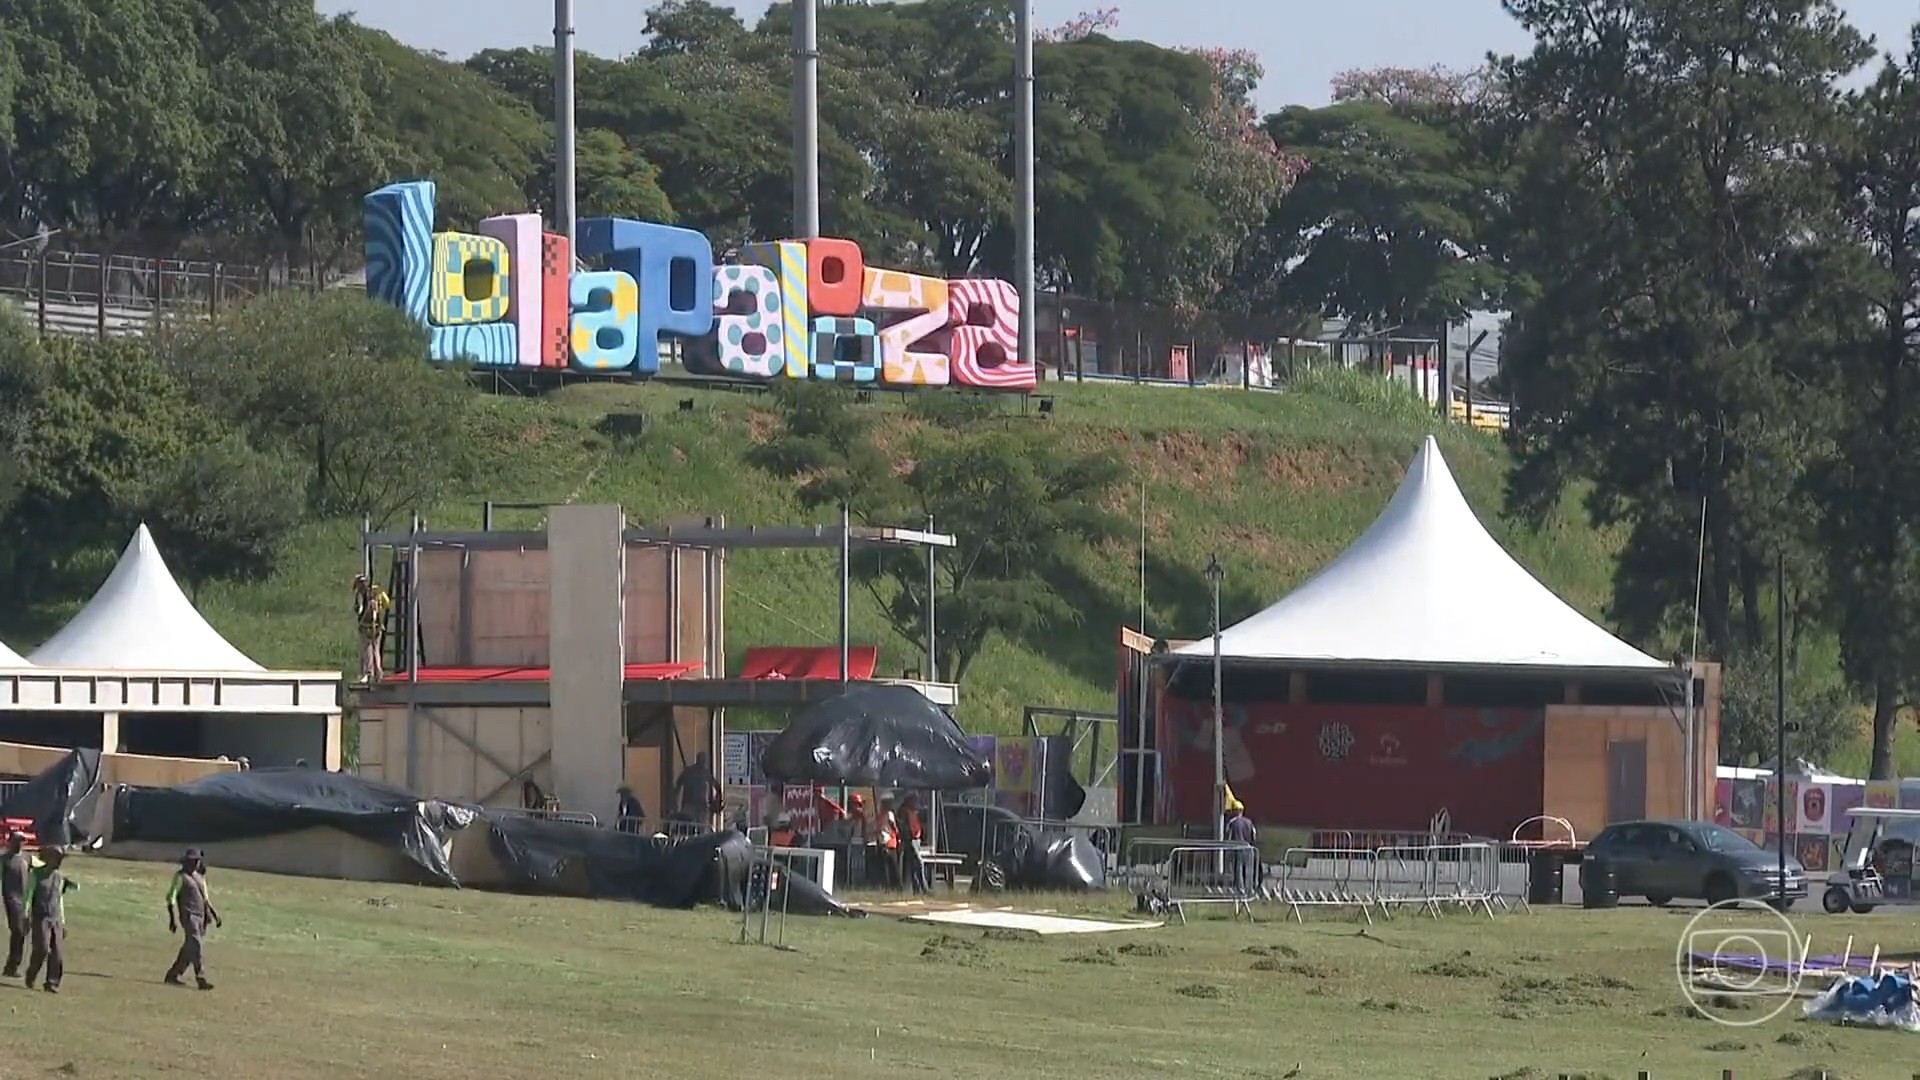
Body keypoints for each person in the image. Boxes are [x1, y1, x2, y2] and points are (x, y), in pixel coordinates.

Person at [165, 848, 221, 990]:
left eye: (197, 861)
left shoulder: (200, 878)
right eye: (193, 861)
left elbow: (205, 898)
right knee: (196, 945)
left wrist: (214, 914)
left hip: (201, 917)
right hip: (189, 916)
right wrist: (172, 919)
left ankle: (173, 975)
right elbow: (171, 898)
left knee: (189, 948)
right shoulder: (180, 877)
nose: (195, 863)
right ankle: (201, 979)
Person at [23, 847, 76, 993]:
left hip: (55, 918)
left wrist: (62, 922)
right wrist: (25, 915)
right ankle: (31, 974)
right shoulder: (36, 874)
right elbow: (28, 895)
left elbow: (59, 900)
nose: (59, 862)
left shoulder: (59, 877)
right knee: (42, 949)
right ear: (47, 858)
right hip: (40, 917)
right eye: (56, 858)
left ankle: (52, 982)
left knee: (57, 952)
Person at [352, 574, 392, 685]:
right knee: (376, 650)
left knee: (367, 650)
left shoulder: (362, 596)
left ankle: (369, 673)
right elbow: (386, 604)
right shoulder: (376, 593)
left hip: (366, 626)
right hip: (378, 626)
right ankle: (379, 673)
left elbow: (359, 610)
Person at [0, 832, 28, 978]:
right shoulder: (4, 859)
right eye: (17, 840)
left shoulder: (27, 858)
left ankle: (12, 966)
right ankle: (12, 966)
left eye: (21, 841)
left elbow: (44, 868)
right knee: (18, 930)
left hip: (25, 901)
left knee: (21, 932)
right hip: (12, 900)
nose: (19, 844)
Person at [671, 752, 721, 824]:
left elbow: (717, 788)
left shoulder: (704, 773)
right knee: (689, 825)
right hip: (690, 805)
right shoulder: (691, 772)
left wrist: (715, 802)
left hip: (700, 806)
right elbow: (677, 787)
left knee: (698, 826)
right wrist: (674, 803)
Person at [899, 794, 929, 894]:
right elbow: (905, 827)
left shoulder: (913, 812)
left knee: (913, 865)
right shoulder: (905, 812)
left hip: (916, 840)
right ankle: (924, 887)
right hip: (911, 840)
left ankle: (917, 888)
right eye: (914, 801)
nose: (916, 803)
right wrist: (910, 836)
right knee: (919, 862)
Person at [1226, 804, 1258, 894]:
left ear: (1235, 811)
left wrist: (1228, 848)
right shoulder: (1249, 822)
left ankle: (1241, 889)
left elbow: (1228, 835)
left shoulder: (1232, 822)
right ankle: (1249, 888)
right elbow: (1254, 835)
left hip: (1238, 847)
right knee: (1249, 869)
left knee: (1238, 869)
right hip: (1248, 847)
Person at [874, 796, 902, 890]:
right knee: (893, 865)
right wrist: (897, 833)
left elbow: (877, 828)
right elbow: (892, 825)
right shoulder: (889, 814)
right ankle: (896, 886)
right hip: (890, 841)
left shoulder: (879, 815)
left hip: (882, 841)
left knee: (884, 866)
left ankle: (886, 886)